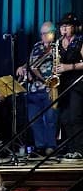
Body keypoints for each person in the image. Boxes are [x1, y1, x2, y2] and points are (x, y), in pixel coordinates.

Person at [16, 21, 59, 158]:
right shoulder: (36, 46)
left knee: (50, 119)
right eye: (41, 34)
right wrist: (22, 68)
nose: (43, 37)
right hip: (33, 89)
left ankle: (50, 147)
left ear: (53, 32)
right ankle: (40, 146)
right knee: (34, 119)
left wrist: (37, 73)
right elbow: (30, 62)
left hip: (49, 89)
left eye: (46, 34)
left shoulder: (57, 47)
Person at [55, 12, 83, 160]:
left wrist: (68, 67)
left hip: (77, 83)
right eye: (62, 26)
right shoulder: (58, 44)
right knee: (65, 118)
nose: (64, 29)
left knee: (75, 117)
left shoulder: (80, 41)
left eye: (67, 26)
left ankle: (80, 149)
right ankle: (72, 149)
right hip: (63, 84)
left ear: (74, 28)